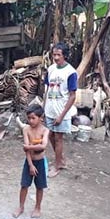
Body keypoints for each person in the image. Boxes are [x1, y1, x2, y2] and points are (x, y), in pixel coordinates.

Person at [43, 42, 77, 177]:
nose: (56, 57)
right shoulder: (51, 69)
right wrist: (43, 108)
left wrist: (62, 115)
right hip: (50, 109)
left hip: (61, 110)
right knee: (50, 135)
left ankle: (57, 166)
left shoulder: (71, 72)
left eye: (58, 55)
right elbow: (46, 90)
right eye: (54, 54)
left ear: (65, 56)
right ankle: (60, 159)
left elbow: (72, 96)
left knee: (58, 138)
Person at [14, 104, 50, 219]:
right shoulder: (26, 129)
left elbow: (43, 146)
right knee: (24, 185)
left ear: (41, 118)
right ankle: (21, 206)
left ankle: (38, 207)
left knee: (40, 187)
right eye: (29, 118)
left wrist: (29, 147)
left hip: (40, 162)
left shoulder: (45, 131)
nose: (30, 121)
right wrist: (30, 165)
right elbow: (27, 151)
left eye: (33, 118)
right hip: (29, 162)